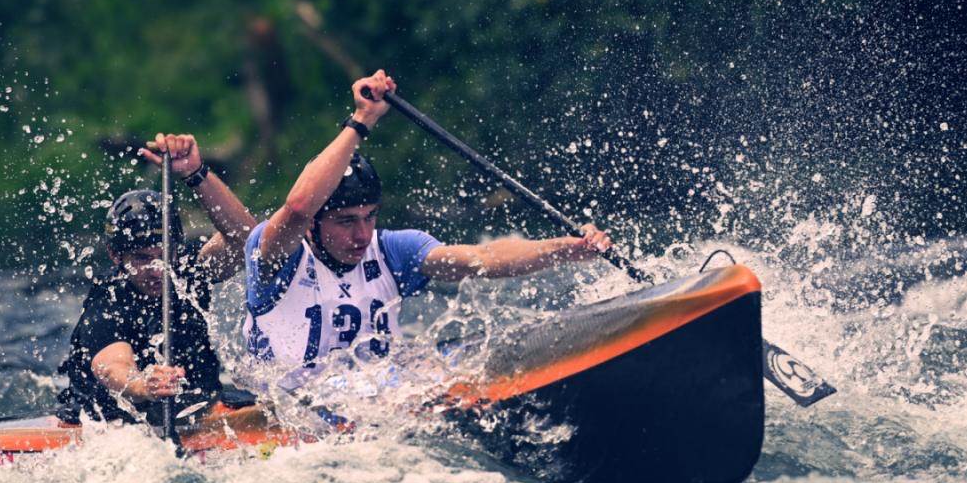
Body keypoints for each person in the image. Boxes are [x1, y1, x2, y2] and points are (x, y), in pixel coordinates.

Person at [243, 70, 614, 374]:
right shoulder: (278, 256)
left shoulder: (391, 250)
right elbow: (298, 207)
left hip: (375, 405)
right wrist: (362, 120)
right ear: (313, 228)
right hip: (289, 415)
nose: (361, 234)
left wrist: (568, 249)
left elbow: (481, 258)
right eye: (345, 222)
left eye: (370, 217)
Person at [58, 134, 257, 425]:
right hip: (113, 420)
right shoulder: (107, 302)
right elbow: (112, 366)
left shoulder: (188, 268)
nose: (156, 269)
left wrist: (195, 173)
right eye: (141, 258)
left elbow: (248, 241)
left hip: (198, 409)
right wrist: (144, 385)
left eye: (163, 255)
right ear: (116, 256)